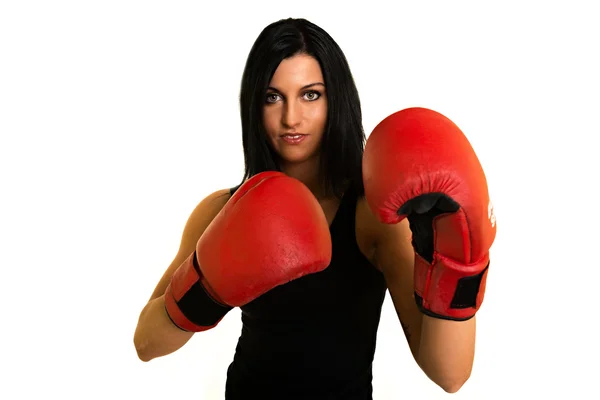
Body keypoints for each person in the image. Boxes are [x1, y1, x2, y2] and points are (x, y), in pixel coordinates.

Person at [133, 17, 496, 399]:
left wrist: (453, 255)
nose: (291, 117)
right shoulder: (220, 210)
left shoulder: (371, 218)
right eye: (272, 97)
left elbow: (449, 374)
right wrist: (206, 288)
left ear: (335, 99)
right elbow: (146, 344)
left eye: (310, 95)